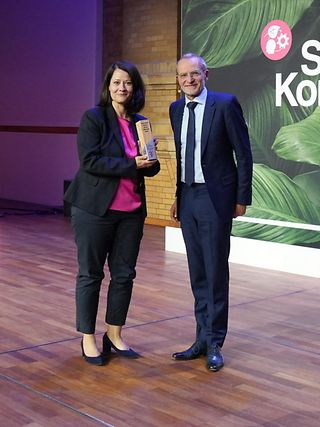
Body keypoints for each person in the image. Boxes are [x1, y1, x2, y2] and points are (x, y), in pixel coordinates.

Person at [64, 60, 160, 365]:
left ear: (135, 88)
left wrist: (151, 158)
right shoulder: (94, 118)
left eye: (128, 83)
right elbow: (90, 161)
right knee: (91, 274)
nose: (122, 88)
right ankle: (88, 339)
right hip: (95, 210)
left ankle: (115, 334)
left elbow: (151, 168)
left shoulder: (140, 122)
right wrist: (132, 163)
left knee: (124, 275)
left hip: (131, 212)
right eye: (117, 82)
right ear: (108, 87)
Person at [169, 53, 252, 372]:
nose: (188, 80)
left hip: (217, 198)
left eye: (194, 74)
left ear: (207, 74)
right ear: (177, 80)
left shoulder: (225, 104)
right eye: (182, 76)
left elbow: (243, 155)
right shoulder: (176, 108)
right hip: (188, 198)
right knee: (197, 272)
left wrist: (241, 197)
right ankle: (201, 338)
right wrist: (178, 195)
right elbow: (182, 154)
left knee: (216, 270)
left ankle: (215, 341)